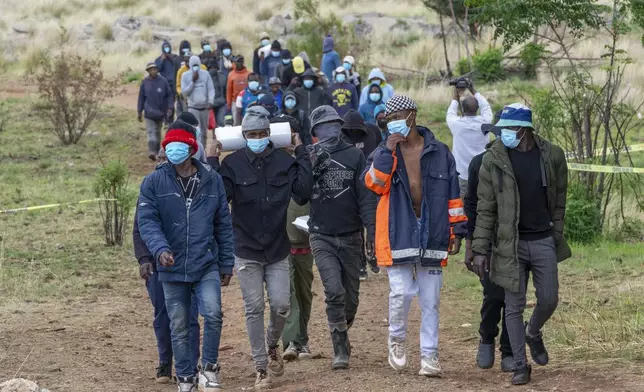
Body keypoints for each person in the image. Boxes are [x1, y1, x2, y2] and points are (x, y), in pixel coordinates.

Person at [362, 95, 467, 378]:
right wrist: (386, 150)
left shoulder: (440, 151)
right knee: (401, 291)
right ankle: (397, 338)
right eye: (389, 119)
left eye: (399, 116)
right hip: (399, 230)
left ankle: (430, 356)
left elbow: (453, 193)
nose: (394, 123)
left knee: (431, 299)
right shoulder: (384, 153)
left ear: (413, 115)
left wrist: (456, 228)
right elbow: (375, 185)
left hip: (432, 230)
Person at [471, 104, 571, 386]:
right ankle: (520, 364)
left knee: (549, 298)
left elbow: (560, 196)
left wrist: (557, 231)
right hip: (509, 244)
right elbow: (485, 208)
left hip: (542, 240)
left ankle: (533, 332)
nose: (502, 134)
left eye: (507, 129)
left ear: (523, 129)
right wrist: (479, 249)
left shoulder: (552, 155)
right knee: (513, 307)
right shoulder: (494, 160)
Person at [214, 106, 312, 389]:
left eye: (261, 133)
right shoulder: (232, 165)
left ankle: (272, 345)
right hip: (245, 248)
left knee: (281, 304)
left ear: (269, 134)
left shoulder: (284, 162)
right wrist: (212, 158)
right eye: (251, 134)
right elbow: (219, 198)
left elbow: (303, 193)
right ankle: (261, 367)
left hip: (278, 248)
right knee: (254, 308)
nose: (256, 138)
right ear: (243, 135)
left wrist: (301, 151)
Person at [138, 121, 235, 392]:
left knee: (213, 314)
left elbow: (223, 224)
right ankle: (185, 378)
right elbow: (147, 222)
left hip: (206, 263)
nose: (174, 150)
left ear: (192, 149)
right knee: (178, 324)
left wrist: (226, 261)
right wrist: (159, 250)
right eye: (170, 146)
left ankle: (210, 368)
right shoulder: (153, 182)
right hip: (170, 266)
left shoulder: (211, 180)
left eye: (180, 146)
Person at [307, 106, 376, 370]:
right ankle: (340, 348)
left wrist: (369, 230)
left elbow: (365, 197)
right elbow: (301, 194)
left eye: (334, 125)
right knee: (333, 291)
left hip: (351, 235)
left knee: (351, 299)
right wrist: (308, 165)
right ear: (315, 132)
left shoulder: (355, 155)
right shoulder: (310, 156)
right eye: (323, 127)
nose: (330, 131)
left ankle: (341, 326)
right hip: (321, 234)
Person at [133, 149, 201, 384]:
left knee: (189, 315)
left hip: (188, 264)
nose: (162, 163)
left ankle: (192, 365)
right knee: (163, 315)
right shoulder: (149, 190)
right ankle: (165, 363)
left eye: (166, 158)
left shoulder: (190, 189)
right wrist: (144, 260)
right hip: (157, 268)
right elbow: (140, 229)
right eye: (159, 159)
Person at [461, 112, 514, 373]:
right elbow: (470, 205)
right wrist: (471, 243)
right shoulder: (479, 163)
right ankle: (486, 336)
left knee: (513, 299)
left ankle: (509, 350)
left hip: (516, 241)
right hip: (487, 241)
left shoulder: (524, 163)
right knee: (494, 295)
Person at [446, 82, 493, 197]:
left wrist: (455, 95)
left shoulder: (456, 124)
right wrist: (473, 89)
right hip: (483, 171)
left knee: (464, 202)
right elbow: (486, 106)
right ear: (477, 109)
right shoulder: (485, 122)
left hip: (462, 173)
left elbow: (451, 111)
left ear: (462, 108)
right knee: (483, 200)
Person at [138, 62, 173, 161]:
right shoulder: (145, 82)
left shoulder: (163, 81)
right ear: (148, 71)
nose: (153, 71)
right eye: (151, 69)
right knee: (151, 131)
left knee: (157, 132)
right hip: (149, 112)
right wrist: (139, 111)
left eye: (154, 69)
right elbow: (141, 97)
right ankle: (152, 151)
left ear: (157, 70)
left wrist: (170, 108)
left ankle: (157, 152)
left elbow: (169, 95)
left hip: (160, 112)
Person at [181, 55, 215, 148]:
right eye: (193, 65)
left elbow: (211, 89)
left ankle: (203, 149)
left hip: (204, 108)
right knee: (196, 131)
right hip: (193, 107)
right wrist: (192, 81)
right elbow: (184, 93)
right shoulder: (185, 75)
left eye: (197, 65)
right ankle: (197, 150)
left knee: (204, 132)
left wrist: (211, 101)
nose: (195, 67)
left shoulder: (205, 74)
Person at [176, 51, 207, 117]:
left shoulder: (203, 67)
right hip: (187, 98)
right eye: (186, 61)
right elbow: (178, 85)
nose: (188, 63)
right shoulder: (181, 71)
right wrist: (181, 93)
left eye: (189, 61)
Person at [226, 55, 251, 126]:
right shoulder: (231, 74)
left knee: (247, 121)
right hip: (235, 102)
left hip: (247, 101)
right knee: (237, 123)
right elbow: (229, 90)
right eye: (238, 62)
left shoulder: (249, 73)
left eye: (241, 62)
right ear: (234, 63)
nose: (239, 63)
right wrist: (229, 104)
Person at [206, 58, 228, 130]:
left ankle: (220, 137)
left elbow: (225, 89)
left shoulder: (222, 77)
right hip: (210, 105)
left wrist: (225, 101)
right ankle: (214, 137)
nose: (213, 69)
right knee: (213, 123)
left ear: (217, 68)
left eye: (215, 67)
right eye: (211, 68)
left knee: (221, 122)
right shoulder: (205, 78)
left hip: (221, 103)